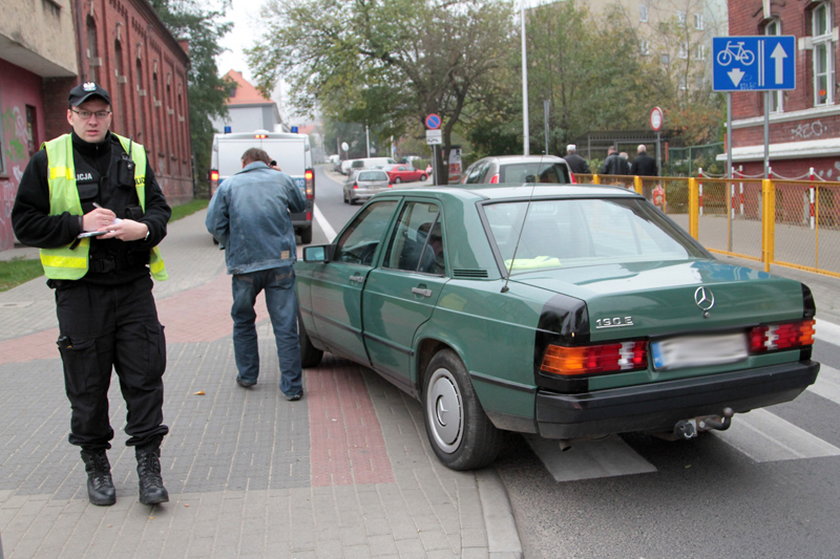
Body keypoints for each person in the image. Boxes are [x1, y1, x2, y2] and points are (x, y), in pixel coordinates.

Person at [11, 82, 171, 507]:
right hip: (80, 294)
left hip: (133, 287)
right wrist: (78, 224)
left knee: (144, 378)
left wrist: (145, 229)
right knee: (87, 385)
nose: (93, 120)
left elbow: (159, 210)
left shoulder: (133, 154)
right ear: (71, 116)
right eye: (85, 113)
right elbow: (24, 224)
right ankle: (96, 467)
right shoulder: (48, 158)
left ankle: (149, 468)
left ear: (110, 115)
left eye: (101, 112)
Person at [205, 147, 306, 400]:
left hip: (244, 264)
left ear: (244, 162)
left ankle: (248, 375)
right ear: (266, 161)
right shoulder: (281, 179)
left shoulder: (229, 185)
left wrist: (230, 242)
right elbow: (299, 205)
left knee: (243, 319)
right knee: (285, 325)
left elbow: (213, 223)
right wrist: (281, 174)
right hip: (280, 261)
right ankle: (292, 387)